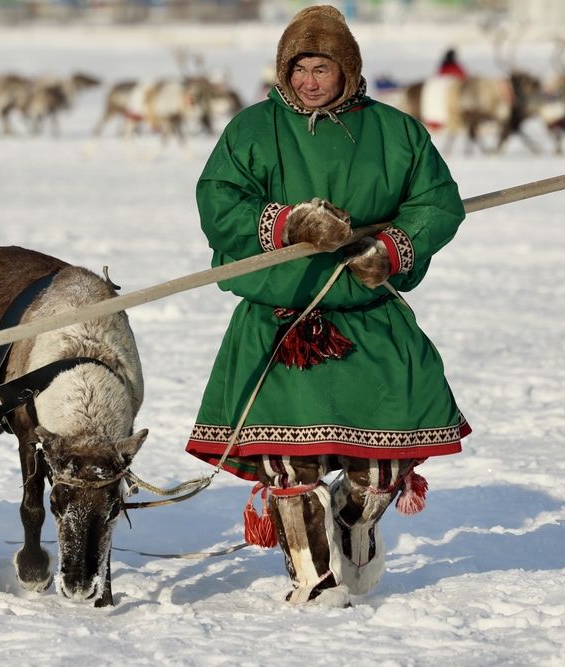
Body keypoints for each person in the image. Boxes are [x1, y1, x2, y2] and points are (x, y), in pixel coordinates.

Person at [184, 5, 470, 607]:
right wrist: (287, 223)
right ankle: (316, 580)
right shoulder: (252, 130)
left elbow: (437, 202)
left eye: (323, 68)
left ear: (349, 70)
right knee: (291, 464)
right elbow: (220, 202)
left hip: (369, 312)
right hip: (282, 319)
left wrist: (391, 248)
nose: (310, 81)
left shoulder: (397, 132)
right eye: (300, 69)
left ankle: (352, 523)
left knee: (384, 467)